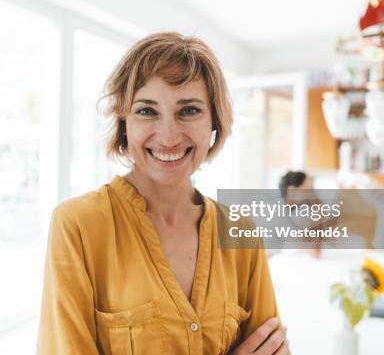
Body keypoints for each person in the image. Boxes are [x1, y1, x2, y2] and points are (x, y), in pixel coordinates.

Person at [37, 32, 289, 354]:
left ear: (214, 122)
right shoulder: (77, 226)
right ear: (123, 121)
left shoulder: (241, 232)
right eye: (147, 111)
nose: (169, 136)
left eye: (189, 111)